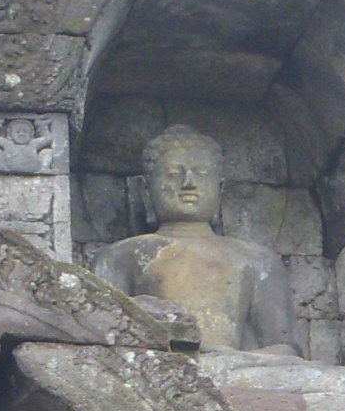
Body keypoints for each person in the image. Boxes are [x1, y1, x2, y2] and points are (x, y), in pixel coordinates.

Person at [91, 125, 298, 356]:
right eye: (173, 174)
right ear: (145, 190)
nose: (189, 182)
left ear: (220, 188)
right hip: (159, 366)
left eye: (201, 173)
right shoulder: (119, 256)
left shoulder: (258, 260)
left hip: (234, 365)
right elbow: (103, 343)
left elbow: (285, 348)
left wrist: (228, 358)